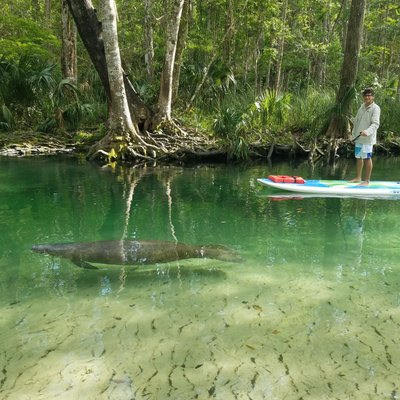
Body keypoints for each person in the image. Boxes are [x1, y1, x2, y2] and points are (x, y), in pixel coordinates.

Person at [349, 87, 380, 186]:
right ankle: (358, 177)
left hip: (367, 139)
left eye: (369, 95)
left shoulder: (376, 108)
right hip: (358, 138)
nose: (367, 97)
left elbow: (375, 124)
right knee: (358, 157)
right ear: (363, 97)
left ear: (373, 97)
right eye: (366, 95)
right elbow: (356, 121)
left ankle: (367, 181)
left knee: (367, 158)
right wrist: (353, 135)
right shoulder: (362, 107)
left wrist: (367, 131)